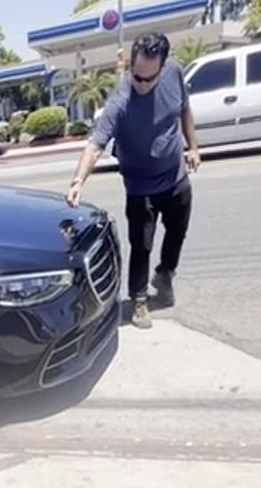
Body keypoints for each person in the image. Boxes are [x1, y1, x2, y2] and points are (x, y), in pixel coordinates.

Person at [66, 32, 201, 329]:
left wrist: (193, 147)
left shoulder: (175, 73)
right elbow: (95, 144)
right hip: (141, 187)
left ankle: (165, 274)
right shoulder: (121, 100)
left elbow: (184, 110)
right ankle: (139, 299)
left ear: (162, 67)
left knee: (177, 233)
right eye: (137, 77)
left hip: (176, 175)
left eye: (149, 79)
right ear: (131, 66)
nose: (142, 85)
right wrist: (78, 181)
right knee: (141, 244)